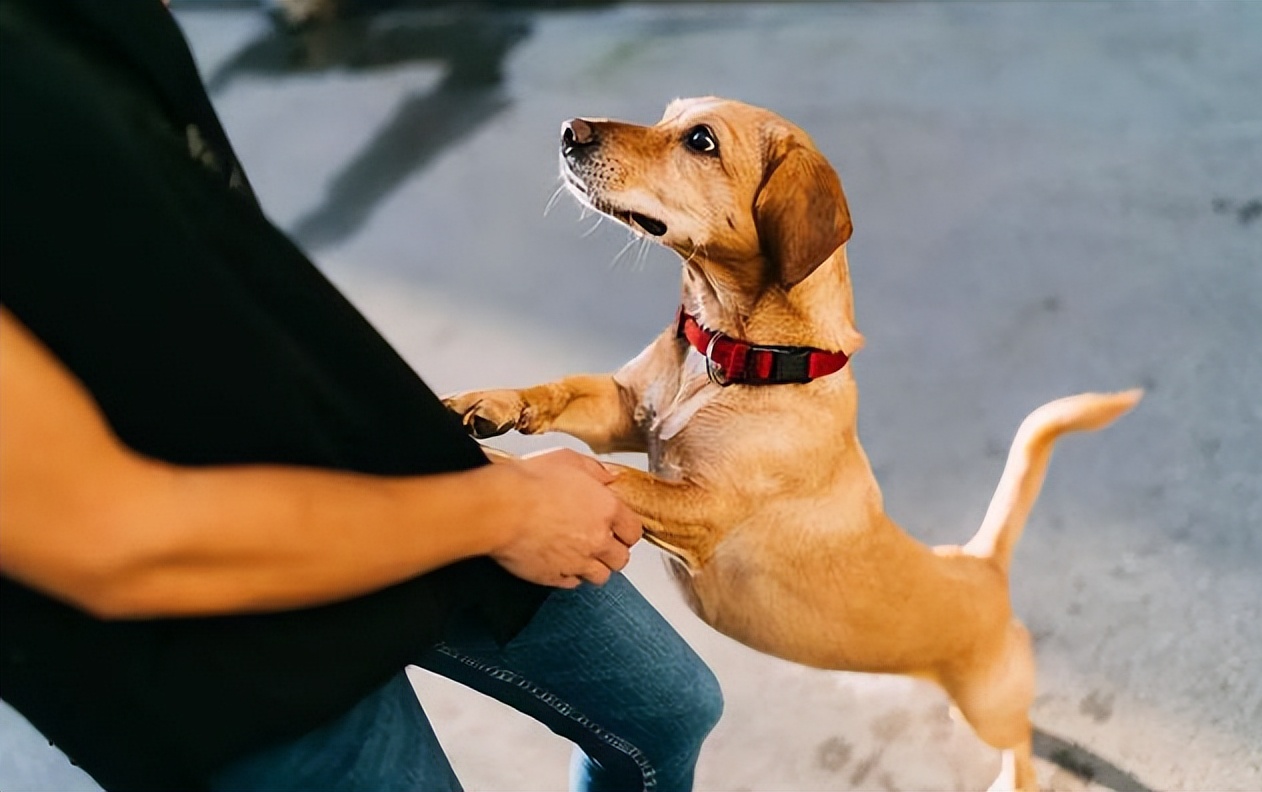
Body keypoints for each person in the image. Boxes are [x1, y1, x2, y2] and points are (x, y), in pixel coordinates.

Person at [0, 1, 723, 790]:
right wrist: (506, 513)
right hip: (222, 658)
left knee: (669, 708)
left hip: (363, 460)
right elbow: (112, 542)